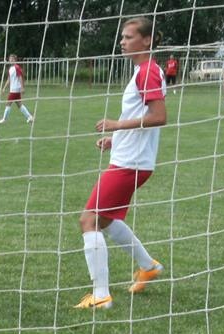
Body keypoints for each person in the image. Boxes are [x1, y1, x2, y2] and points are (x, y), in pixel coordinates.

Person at [75, 15, 166, 310]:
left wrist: (116, 125)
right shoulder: (143, 70)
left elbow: (158, 117)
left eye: (128, 37)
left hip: (131, 164)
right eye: (122, 37)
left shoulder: (148, 71)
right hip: (131, 159)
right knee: (106, 220)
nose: (122, 42)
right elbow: (141, 119)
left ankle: (101, 295)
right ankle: (148, 266)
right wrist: (116, 139)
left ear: (146, 40)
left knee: (89, 220)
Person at [0, 54, 34, 124]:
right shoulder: (10, 69)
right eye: (10, 59)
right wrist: (4, 88)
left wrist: (22, 87)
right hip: (13, 89)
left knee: (8, 103)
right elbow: (9, 79)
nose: (10, 60)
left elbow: (20, 77)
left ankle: (4, 119)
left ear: (15, 60)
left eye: (12, 59)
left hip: (15, 89)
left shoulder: (17, 67)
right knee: (19, 104)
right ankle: (30, 117)